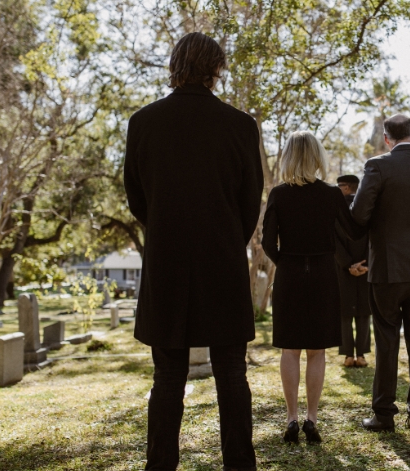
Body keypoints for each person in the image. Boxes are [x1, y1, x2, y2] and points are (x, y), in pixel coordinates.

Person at [124, 32, 263, 471]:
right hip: (222, 261)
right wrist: (225, 238)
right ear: (216, 68)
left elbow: (136, 198)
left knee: (167, 376)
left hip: (166, 261)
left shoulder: (143, 122)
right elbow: (250, 201)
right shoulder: (240, 125)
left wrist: (166, 230)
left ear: (175, 65)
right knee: (232, 374)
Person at [262, 131, 364, 444]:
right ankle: (312, 419)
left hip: (290, 274)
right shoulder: (332, 194)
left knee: (290, 349)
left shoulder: (278, 194)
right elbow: (353, 231)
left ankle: (291, 419)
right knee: (316, 351)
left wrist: (286, 263)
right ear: (317, 156)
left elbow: (268, 243)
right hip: (323, 274)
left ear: (288, 157)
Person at [351, 114, 410, 433]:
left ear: (386, 138)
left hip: (389, 268)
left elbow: (359, 215)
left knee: (387, 341)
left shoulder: (378, 166)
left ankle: (383, 415)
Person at [334, 175, 372, 368]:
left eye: (339, 186)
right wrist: (365, 263)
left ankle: (348, 355)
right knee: (364, 313)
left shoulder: (334, 210)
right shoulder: (368, 209)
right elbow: (373, 238)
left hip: (343, 269)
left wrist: (348, 264)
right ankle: (362, 355)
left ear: (347, 187)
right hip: (365, 268)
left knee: (345, 313)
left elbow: (333, 241)